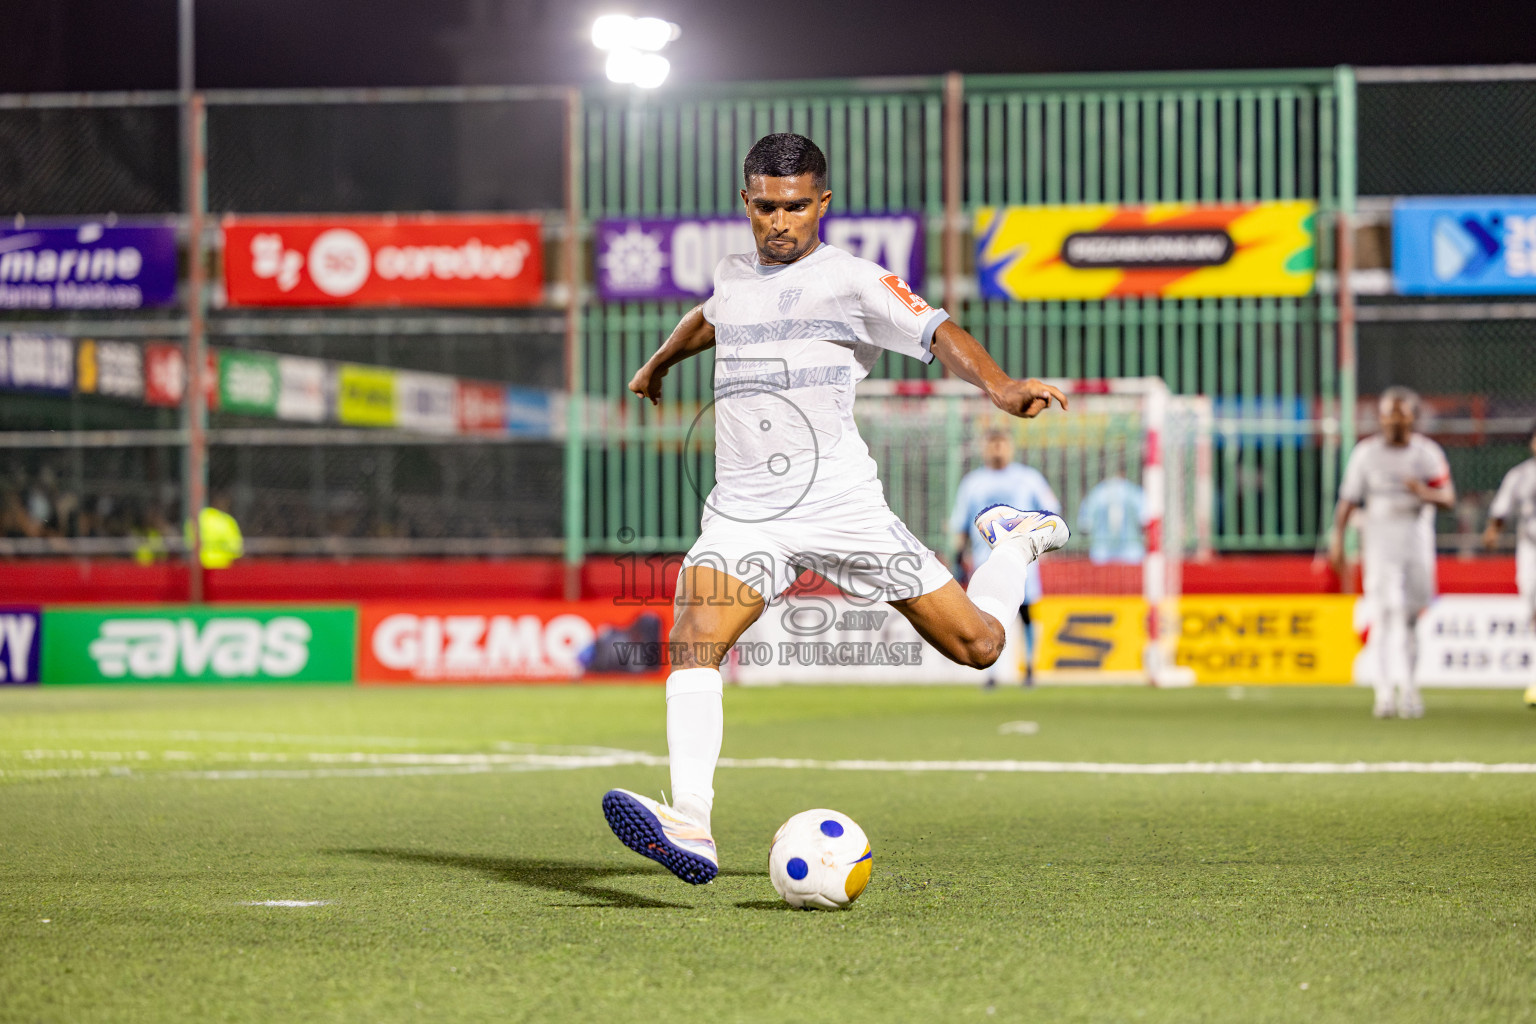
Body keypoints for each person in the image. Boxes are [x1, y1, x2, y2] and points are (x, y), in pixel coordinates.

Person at [602, 133, 1070, 884]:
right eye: (763, 207)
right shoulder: (733, 271)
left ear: (822, 204)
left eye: (793, 207)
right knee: (696, 636)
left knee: (978, 646)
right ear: (745, 202)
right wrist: (659, 361)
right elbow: (713, 315)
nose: (778, 222)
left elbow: (937, 330)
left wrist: (1000, 385)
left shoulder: (854, 281)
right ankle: (690, 818)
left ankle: (1013, 543)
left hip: (841, 503)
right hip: (746, 512)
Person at [1327, 387, 1454, 719]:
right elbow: (1349, 499)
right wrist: (1337, 539)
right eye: (1387, 413)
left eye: (1400, 413)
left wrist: (1422, 491)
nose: (1393, 420)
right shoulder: (1366, 454)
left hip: (1416, 536)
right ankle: (1383, 693)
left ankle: (1409, 688)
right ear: (1380, 418)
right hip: (1380, 538)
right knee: (1382, 614)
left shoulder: (1427, 453)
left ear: (1412, 416)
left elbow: (1448, 497)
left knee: (1411, 616)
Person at [949, 428, 1061, 686]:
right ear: (984, 448)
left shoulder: (1029, 479)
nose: (997, 449)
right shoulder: (972, 483)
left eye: (1001, 444)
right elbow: (961, 525)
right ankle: (991, 673)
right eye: (992, 444)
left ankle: (1030, 666)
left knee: (1026, 613)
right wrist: (957, 558)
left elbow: (1051, 514)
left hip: (1022, 565)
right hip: (985, 564)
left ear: (1010, 447)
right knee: (986, 617)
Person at [1480, 420, 1536, 707]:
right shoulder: (1521, 475)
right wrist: (1493, 531)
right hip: (1531, 550)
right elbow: (1502, 510)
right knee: (1534, 610)